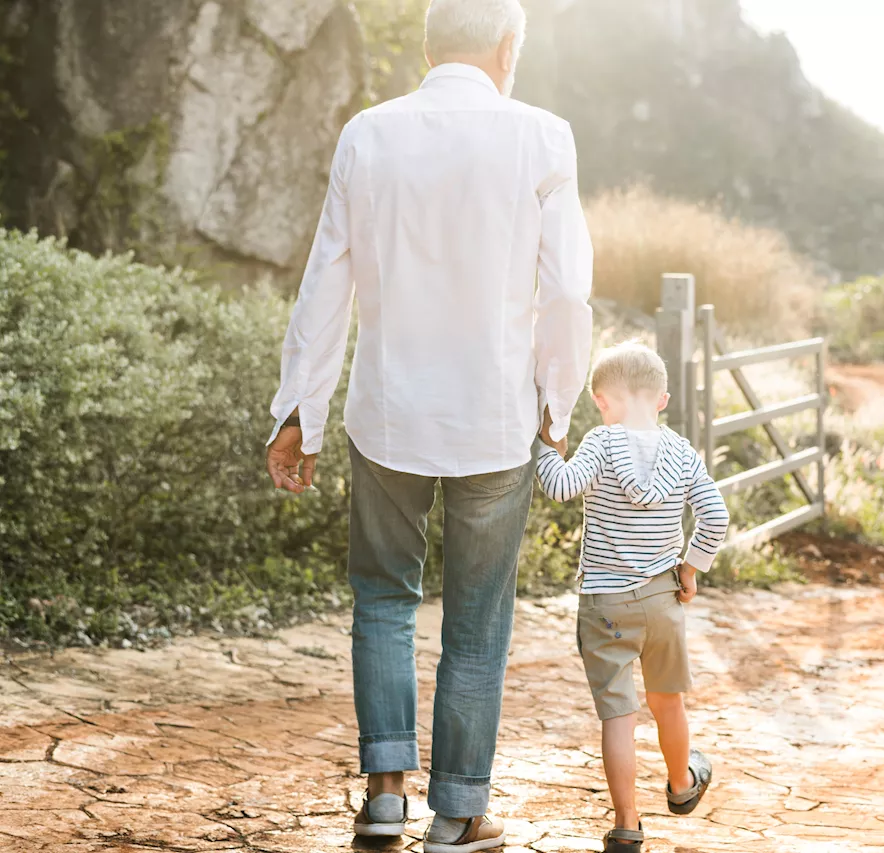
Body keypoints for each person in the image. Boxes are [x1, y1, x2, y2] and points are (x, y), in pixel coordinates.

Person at [263, 0, 593, 849]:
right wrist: (557, 402)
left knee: (381, 601)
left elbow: (323, 284)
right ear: (508, 47)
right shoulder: (543, 136)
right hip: (496, 419)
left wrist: (300, 410)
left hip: (387, 414)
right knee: (478, 620)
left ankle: (382, 797)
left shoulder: (367, 135)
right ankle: (459, 812)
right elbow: (566, 294)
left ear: (426, 46)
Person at [534, 342, 729, 852]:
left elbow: (559, 487)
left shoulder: (600, 443)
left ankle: (626, 824)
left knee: (619, 716)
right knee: (668, 700)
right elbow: (716, 516)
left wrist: (543, 447)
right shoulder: (682, 452)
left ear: (601, 400)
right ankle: (683, 784)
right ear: (661, 399)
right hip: (663, 600)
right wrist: (690, 566)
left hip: (605, 606)